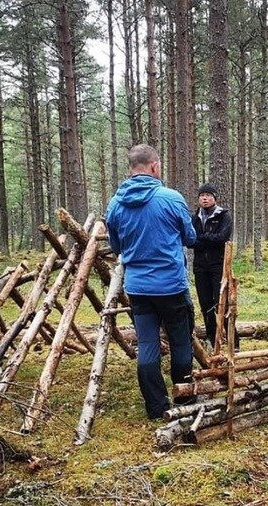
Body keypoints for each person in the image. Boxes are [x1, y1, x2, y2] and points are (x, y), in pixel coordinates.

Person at [105, 144, 197, 420]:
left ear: (131, 168)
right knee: (181, 342)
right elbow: (190, 237)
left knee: (147, 344)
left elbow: (116, 246)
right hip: (171, 285)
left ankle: (157, 407)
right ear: (155, 166)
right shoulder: (171, 198)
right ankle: (184, 399)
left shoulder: (115, 204)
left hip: (138, 288)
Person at [191, 182, 234, 349]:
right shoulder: (195, 217)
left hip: (218, 265)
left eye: (208, 195)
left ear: (215, 198)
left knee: (222, 301)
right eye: (202, 195)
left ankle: (232, 338)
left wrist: (204, 238)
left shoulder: (224, 216)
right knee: (205, 303)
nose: (205, 198)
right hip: (200, 266)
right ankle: (211, 337)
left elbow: (223, 237)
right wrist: (208, 238)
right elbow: (191, 241)